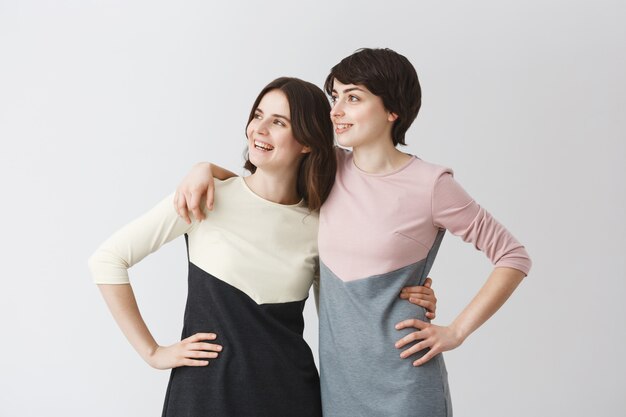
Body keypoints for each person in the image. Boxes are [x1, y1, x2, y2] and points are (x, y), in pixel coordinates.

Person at [175, 48, 532, 417]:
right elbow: (262, 192)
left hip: (405, 382)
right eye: (335, 96)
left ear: (393, 110)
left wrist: (456, 332)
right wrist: (206, 169)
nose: (336, 111)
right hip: (337, 386)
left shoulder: (431, 185)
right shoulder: (325, 167)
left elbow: (513, 256)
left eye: (354, 97)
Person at [88, 76, 438, 417]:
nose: (260, 129)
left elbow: (344, 313)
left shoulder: (321, 224)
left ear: (307, 142)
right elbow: (108, 260)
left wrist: (404, 300)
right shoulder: (206, 196)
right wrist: (152, 352)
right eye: (257, 116)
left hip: (291, 396)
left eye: (278, 122)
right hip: (204, 396)